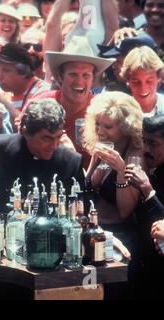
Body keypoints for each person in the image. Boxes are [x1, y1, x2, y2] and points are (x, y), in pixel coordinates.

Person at [28, 35, 115, 167]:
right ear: (59, 77)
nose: (79, 82)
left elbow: (107, 169)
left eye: (86, 75)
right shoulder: (40, 103)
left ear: (93, 80)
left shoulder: (103, 111)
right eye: (73, 74)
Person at [83, 91, 144, 279]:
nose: (100, 131)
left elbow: (126, 211)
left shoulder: (135, 155)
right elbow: (88, 188)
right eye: (97, 124)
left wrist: (120, 169)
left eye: (107, 126)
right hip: (94, 232)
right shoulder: (102, 147)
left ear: (126, 127)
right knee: (89, 288)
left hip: (121, 238)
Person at [0, 98, 85, 215]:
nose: (54, 146)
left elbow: (80, 216)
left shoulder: (71, 163)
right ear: (25, 132)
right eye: (47, 138)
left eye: (58, 137)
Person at [124, 115, 164, 298]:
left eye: (153, 144)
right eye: (144, 142)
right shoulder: (148, 166)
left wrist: (147, 190)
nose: (146, 149)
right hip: (141, 267)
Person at [0, 43, 50, 127]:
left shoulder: (43, 92)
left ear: (23, 72)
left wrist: (0, 100)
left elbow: (32, 128)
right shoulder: (6, 92)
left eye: (6, 70)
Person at [120, 46, 164, 116]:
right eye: (136, 82)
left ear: (159, 78)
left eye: (149, 81)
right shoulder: (121, 114)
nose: (143, 88)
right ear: (128, 81)